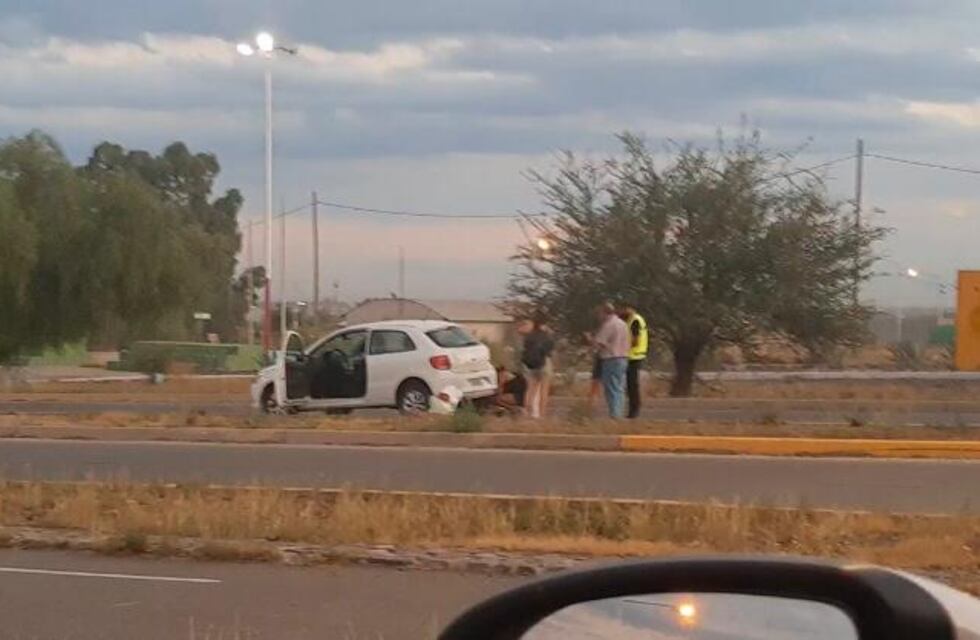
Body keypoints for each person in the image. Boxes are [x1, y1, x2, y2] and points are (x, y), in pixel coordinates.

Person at [592, 302, 629, 418]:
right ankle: (619, 412)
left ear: (604, 313)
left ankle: (615, 414)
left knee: (611, 388)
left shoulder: (609, 325)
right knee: (619, 387)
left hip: (611, 358)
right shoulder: (623, 324)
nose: (599, 317)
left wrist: (591, 341)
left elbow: (600, 343)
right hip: (623, 358)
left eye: (600, 314)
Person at [519, 316, 555, 419]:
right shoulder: (546, 335)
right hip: (543, 364)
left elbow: (525, 350)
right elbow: (550, 350)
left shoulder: (529, 336)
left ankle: (527, 413)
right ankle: (542, 415)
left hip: (531, 365)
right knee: (544, 390)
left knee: (530, 389)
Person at [618, 303, 649, 419]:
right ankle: (632, 410)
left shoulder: (635, 321)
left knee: (632, 385)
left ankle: (634, 411)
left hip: (634, 356)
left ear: (629, 308)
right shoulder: (633, 320)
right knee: (630, 385)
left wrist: (621, 346)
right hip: (633, 356)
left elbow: (635, 340)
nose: (621, 312)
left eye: (622, 309)